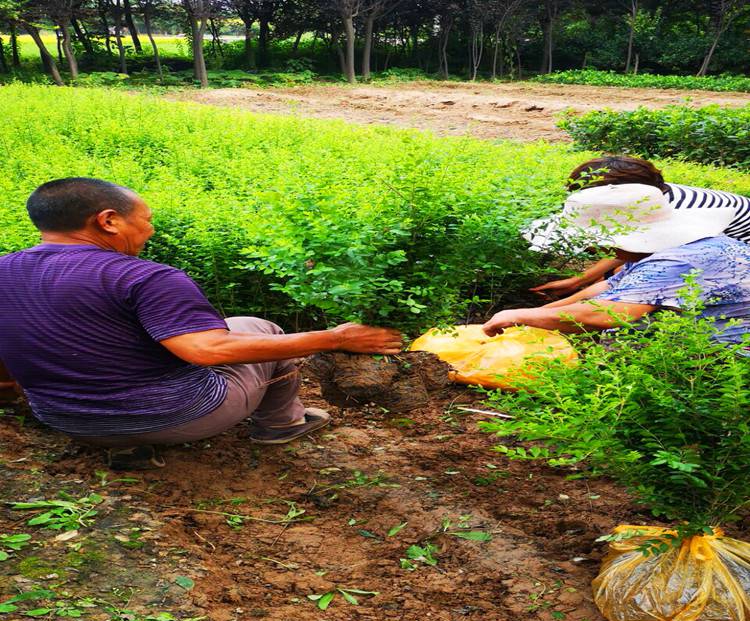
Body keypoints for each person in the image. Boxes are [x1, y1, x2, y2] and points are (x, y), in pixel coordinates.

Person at [0, 178, 403, 469]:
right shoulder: (144, 277)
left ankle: (125, 446)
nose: (150, 229)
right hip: (178, 416)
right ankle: (280, 425)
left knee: (223, 326)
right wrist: (333, 339)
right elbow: (206, 350)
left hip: (65, 419)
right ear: (108, 221)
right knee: (260, 328)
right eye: (146, 219)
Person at [483, 183, 750, 349]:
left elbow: (606, 315)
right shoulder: (669, 247)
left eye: (592, 245)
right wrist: (538, 313)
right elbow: (611, 287)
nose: (593, 251)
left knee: (626, 335)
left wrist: (519, 316)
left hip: (731, 351)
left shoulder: (677, 260)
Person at [528, 155, 750, 300]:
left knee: (631, 277)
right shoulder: (651, 200)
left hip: (737, 260)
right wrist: (579, 283)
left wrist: (583, 293)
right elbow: (630, 246)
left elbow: (637, 255)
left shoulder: (680, 210)